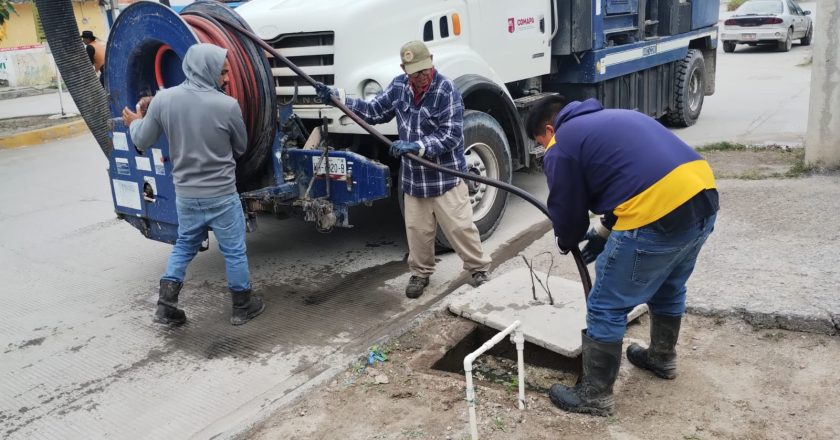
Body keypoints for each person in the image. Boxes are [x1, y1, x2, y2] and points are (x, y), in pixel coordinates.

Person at [525, 95, 718, 416]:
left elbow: (568, 212)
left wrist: (567, 239)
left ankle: (595, 396)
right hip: (704, 197)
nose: (544, 148)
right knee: (669, 286)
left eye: (540, 142)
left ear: (548, 128)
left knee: (605, 305)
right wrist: (603, 232)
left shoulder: (562, 142)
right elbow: (631, 178)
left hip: (660, 212)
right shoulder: (614, 118)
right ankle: (662, 357)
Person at [315, 40, 491, 299]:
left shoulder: (446, 90)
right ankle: (421, 273)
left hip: (445, 178)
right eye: (414, 73)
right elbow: (374, 112)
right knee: (418, 233)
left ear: (431, 60)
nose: (421, 77)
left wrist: (418, 146)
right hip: (415, 181)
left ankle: (479, 269)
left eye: (424, 70)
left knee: (460, 229)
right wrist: (338, 98)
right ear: (404, 69)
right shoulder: (399, 86)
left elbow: (451, 136)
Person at [121, 43, 264, 326]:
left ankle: (166, 306)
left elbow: (141, 139)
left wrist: (136, 122)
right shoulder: (227, 105)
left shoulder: (164, 100)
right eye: (222, 72)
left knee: (184, 245)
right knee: (234, 251)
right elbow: (241, 146)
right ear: (207, 69)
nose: (226, 79)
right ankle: (241, 307)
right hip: (222, 195)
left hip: (186, 195)